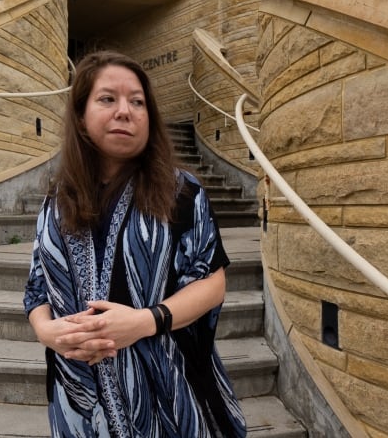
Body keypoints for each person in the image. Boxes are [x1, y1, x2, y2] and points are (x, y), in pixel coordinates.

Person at [23, 50, 247, 438]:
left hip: (169, 394)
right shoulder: (56, 201)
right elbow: (37, 288)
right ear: (80, 115)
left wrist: (145, 321)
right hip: (77, 394)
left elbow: (212, 283)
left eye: (137, 101)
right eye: (108, 98)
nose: (125, 111)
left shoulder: (180, 192)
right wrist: (47, 331)